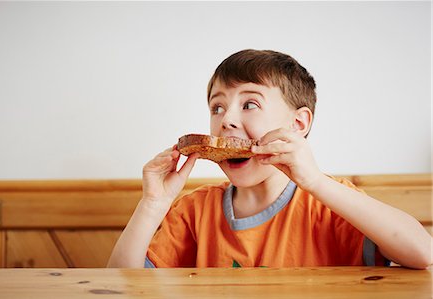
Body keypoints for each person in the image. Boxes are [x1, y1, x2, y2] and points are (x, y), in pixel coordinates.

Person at [107, 49, 432, 269]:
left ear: (298, 124)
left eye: (249, 104)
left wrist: (315, 181)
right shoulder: (194, 211)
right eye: (217, 107)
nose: (226, 119)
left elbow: (423, 253)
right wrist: (152, 203)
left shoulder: (329, 204)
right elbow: (121, 285)